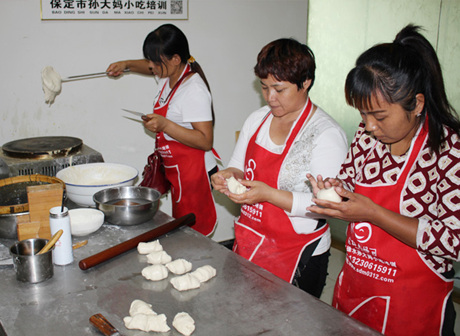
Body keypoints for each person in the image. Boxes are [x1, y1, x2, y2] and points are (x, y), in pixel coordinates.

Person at [307, 25, 460, 335]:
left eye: (379, 115)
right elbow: (348, 179)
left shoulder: (448, 150)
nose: (369, 126)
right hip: (357, 288)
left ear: (416, 104)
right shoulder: (367, 136)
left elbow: (453, 242)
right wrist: (334, 191)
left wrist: (373, 213)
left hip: (413, 306)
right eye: (363, 115)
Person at [211, 38, 348, 297]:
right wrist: (228, 177)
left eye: (279, 89)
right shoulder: (257, 120)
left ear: (305, 82)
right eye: (264, 88)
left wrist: (269, 194)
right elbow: (238, 168)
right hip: (251, 242)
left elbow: (329, 205)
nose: (270, 98)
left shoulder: (325, 134)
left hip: (297, 254)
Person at [107, 24, 218, 236]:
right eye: (150, 60)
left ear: (176, 59)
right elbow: (147, 67)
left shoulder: (193, 89)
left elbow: (205, 140)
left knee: (193, 236)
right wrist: (126, 64)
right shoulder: (168, 76)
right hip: (177, 168)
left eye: (156, 62)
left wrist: (165, 125)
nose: (151, 67)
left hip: (196, 174)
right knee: (182, 230)